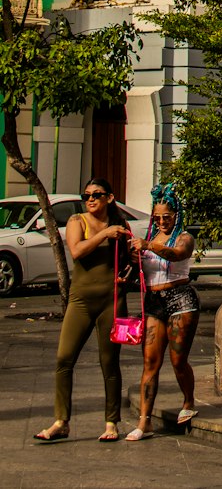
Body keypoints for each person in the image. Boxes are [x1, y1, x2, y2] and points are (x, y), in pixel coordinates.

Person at [34, 176, 133, 443]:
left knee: (109, 363)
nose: (90, 199)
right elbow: (77, 251)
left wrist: (128, 272)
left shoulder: (120, 225)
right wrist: (103, 233)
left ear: (109, 198)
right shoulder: (78, 222)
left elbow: (128, 261)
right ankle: (61, 421)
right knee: (64, 359)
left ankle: (111, 422)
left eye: (96, 194)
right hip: (80, 301)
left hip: (112, 300)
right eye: (86, 195)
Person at [125, 183, 200, 441]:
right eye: (156, 218)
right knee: (150, 362)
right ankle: (144, 421)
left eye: (166, 218)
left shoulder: (183, 238)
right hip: (154, 301)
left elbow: (177, 255)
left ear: (176, 215)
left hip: (181, 299)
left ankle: (189, 401)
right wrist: (132, 263)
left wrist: (148, 246)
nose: (161, 222)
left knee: (178, 360)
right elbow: (139, 271)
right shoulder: (150, 238)